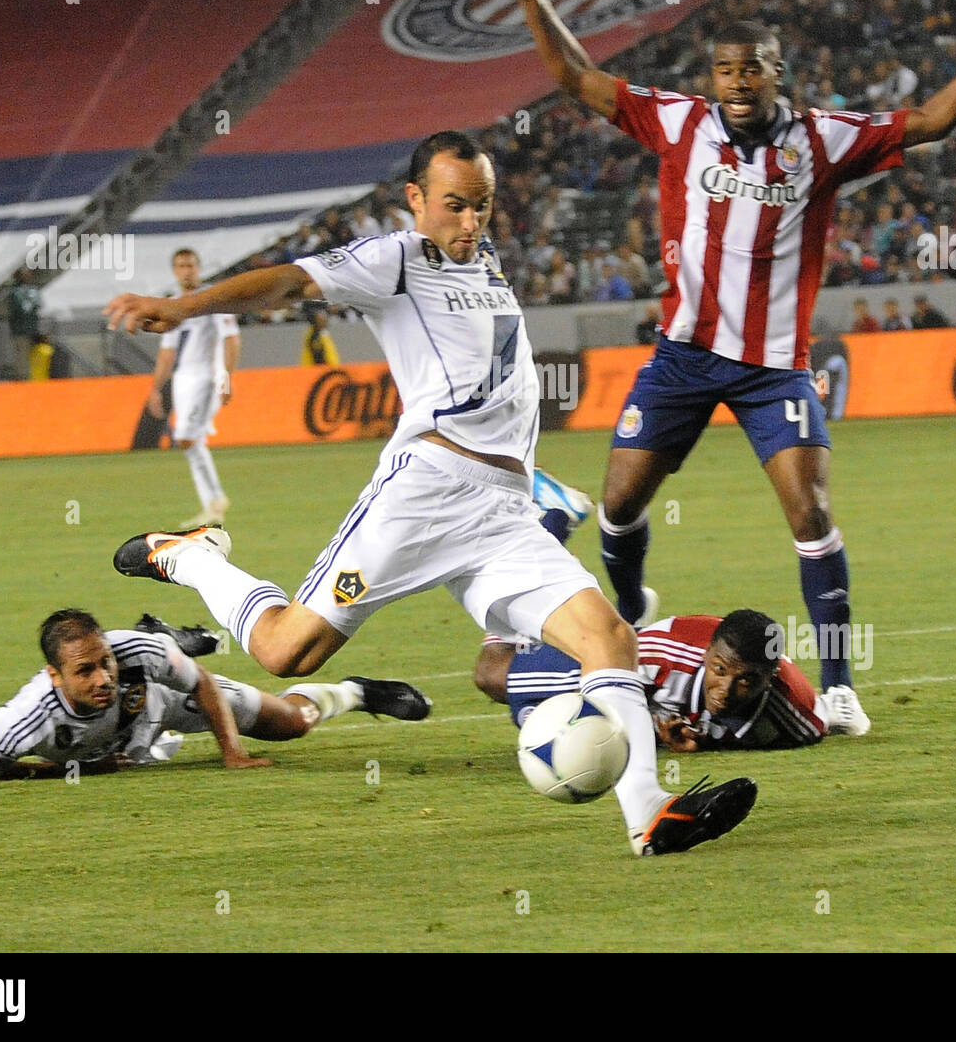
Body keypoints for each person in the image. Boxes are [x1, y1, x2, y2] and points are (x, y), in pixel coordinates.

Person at [104, 131, 758, 857]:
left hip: (504, 513)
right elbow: (290, 282)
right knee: (288, 654)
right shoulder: (397, 258)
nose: (469, 222)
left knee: (609, 637)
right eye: (453, 206)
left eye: (481, 206)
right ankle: (190, 556)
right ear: (415, 200)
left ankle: (647, 813)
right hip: (427, 494)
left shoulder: (487, 265)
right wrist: (184, 307)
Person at [498, 0, 956, 699]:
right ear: (710, 77)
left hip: (773, 368)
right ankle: (628, 609)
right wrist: (535, 1)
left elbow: (931, 123)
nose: (738, 82)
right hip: (683, 354)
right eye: (725, 70)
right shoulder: (678, 122)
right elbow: (581, 81)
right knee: (617, 506)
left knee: (810, 512)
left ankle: (841, 685)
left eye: (753, 69)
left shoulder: (823, 139)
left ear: (778, 73)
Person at [0, 609, 429, 783]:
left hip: (162, 699)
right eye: (85, 671)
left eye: (105, 662)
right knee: (145, 754)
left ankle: (355, 692)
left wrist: (234, 754)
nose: (103, 677)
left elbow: (202, 683)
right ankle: (169, 640)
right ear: (54, 677)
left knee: (292, 724)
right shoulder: (26, 717)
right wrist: (67, 770)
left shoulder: (132, 655)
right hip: (122, 740)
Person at [474, 608, 871, 750]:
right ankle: (523, 604)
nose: (726, 691)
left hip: (661, 685)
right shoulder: (660, 658)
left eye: (746, 681)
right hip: (631, 655)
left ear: (770, 679)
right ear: (707, 656)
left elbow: (818, 720)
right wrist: (644, 724)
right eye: (719, 671)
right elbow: (612, 689)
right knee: (492, 676)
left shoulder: (798, 717)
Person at [145, 248, 241, 527]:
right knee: (190, 441)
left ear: (199, 268)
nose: (186, 270)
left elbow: (231, 339)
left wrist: (226, 376)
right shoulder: (172, 304)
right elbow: (167, 352)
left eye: (190, 265)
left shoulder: (213, 300)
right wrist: (155, 389)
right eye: (180, 266)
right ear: (174, 271)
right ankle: (213, 504)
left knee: (186, 436)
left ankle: (216, 500)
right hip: (182, 379)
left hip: (206, 376)